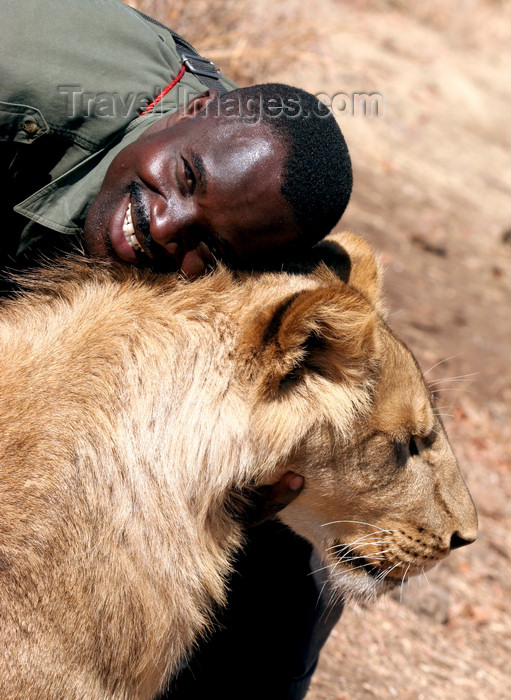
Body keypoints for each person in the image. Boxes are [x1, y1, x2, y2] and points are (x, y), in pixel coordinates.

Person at [2, 1, 352, 697]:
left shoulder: (261, 237)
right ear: (187, 111)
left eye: (209, 245)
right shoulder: (26, 69)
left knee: (289, 483)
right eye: (186, 178)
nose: (165, 224)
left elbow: (338, 336)